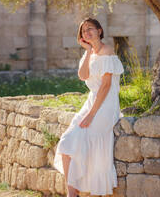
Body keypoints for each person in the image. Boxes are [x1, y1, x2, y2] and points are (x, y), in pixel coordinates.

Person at [53, 18, 124, 197]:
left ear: (99, 31)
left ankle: (80, 190)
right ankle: (72, 192)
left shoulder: (108, 50)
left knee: (88, 135)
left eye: (90, 29)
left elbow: (106, 86)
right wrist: (88, 50)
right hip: (92, 100)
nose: (86, 32)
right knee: (67, 141)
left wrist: (92, 115)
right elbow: (83, 75)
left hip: (107, 103)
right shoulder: (90, 53)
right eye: (83, 31)